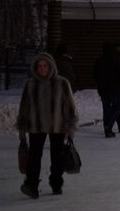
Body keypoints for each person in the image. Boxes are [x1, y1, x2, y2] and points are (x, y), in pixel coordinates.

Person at [15, 53, 78, 198]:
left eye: (45, 66)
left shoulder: (62, 83)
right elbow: (24, 107)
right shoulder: (30, 84)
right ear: (35, 68)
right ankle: (32, 185)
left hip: (57, 126)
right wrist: (22, 128)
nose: (42, 69)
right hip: (36, 126)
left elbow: (69, 106)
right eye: (39, 66)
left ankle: (56, 184)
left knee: (57, 156)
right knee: (34, 156)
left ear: (51, 67)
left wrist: (70, 126)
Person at [93, 42, 120, 138]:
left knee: (106, 109)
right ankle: (109, 127)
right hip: (116, 88)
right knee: (117, 108)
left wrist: (99, 82)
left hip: (103, 89)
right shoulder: (119, 58)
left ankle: (108, 129)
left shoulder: (100, 59)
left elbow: (94, 73)